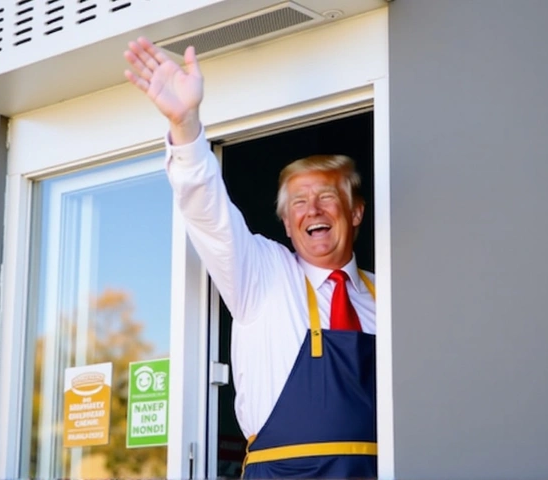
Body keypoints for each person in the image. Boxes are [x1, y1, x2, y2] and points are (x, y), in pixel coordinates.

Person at [124, 37, 377, 478]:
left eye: (326, 197)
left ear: (355, 212)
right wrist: (185, 128)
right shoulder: (262, 273)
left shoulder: (386, 295)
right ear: (284, 221)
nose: (312, 210)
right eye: (298, 202)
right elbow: (207, 212)